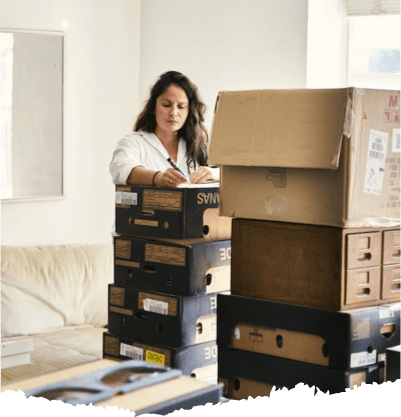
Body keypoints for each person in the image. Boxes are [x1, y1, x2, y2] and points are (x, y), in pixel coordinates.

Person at [109, 71, 219, 187]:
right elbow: (120, 169)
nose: (174, 113)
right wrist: (157, 178)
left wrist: (214, 173)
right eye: (166, 105)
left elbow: (233, 175)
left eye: (181, 107)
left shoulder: (199, 145)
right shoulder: (134, 142)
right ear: (154, 108)